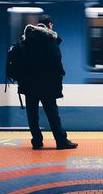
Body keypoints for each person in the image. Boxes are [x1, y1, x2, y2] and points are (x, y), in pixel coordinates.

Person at [17, 16, 78, 150]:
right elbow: (56, 61)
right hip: (46, 85)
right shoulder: (50, 39)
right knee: (52, 114)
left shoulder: (27, 38)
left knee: (32, 115)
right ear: (49, 25)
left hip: (29, 84)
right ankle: (61, 140)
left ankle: (37, 141)